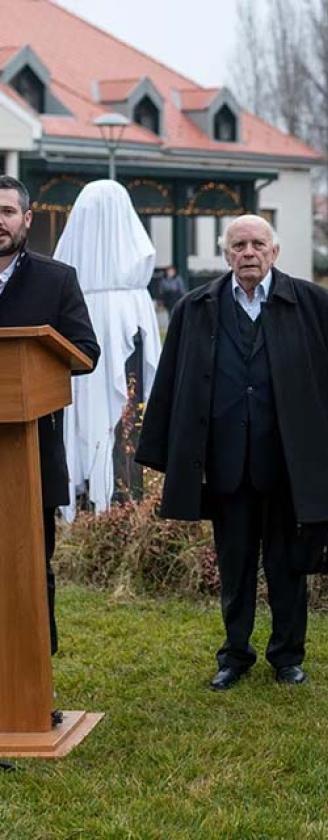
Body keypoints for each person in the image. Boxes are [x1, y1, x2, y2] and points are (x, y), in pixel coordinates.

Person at [136, 214, 328, 690]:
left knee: (288, 566)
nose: (248, 252)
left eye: (257, 244)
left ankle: (287, 656)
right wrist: (164, 452)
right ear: (226, 254)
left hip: (289, 464)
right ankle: (234, 655)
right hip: (226, 465)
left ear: (274, 251)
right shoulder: (195, 307)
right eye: (239, 244)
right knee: (235, 567)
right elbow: (170, 384)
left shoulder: (311, 304)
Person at [0, 174, 100, 658]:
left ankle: (34, 685)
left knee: (30, 568)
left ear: (27, 219)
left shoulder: (56, 278)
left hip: (31, 453)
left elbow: (85, 351)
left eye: (7, 212)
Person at [52, 180, 161, 522]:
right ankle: (117, 503)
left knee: (97, 421)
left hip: (82, 366)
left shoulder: (72, 289)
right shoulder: (133, 292)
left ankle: (95, 500)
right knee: (121, 422)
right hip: (105, 338)